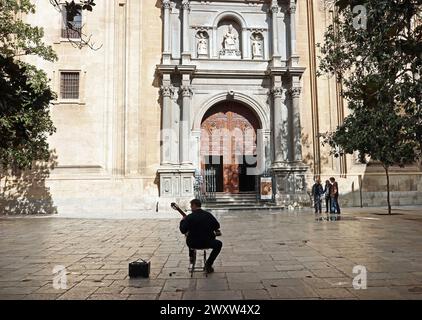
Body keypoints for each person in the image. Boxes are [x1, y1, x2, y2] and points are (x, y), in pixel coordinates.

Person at [179, 199, 222, 273]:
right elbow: (217, 226)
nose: (191, 208)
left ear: (194, 205)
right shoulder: (208, 215)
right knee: (219, 244)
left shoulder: (189, 217)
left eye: (191, 206)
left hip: (193, 243)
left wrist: (182, 220)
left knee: (189, 237)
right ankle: (208, 264)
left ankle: (191, 256)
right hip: (207, 242)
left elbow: (183, 230)